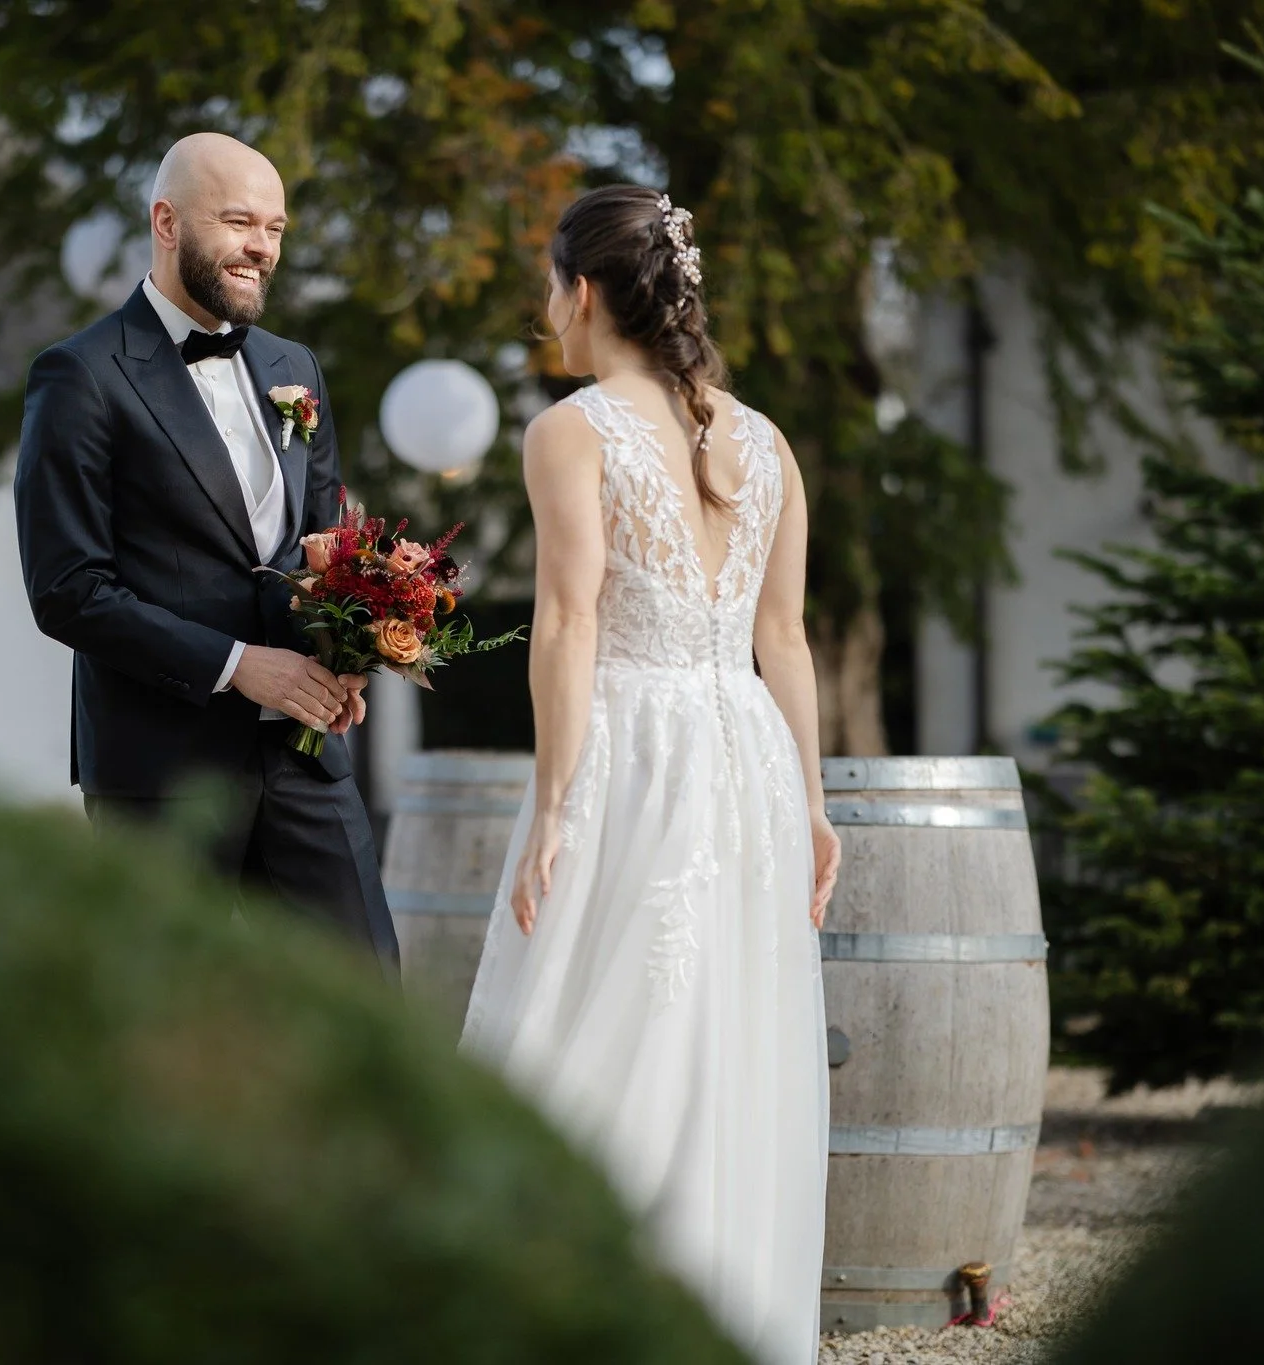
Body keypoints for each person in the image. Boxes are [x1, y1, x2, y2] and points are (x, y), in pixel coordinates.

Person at [458, 184, 841, 1362]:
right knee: (719, 1037)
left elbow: (567, 623)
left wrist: (554, 807)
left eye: (546, 285)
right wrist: (815, 807)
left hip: (630, 750)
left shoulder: (568, 429)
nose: (544, 310)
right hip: (745, 754)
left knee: (588, 1026)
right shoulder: (764, 440)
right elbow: (783, 639)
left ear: (581, 291)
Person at [14, 132, 398, 977]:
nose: (262, 246)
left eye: (276, 227)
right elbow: (67, 589)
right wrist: (237, 666)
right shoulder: (79, 375)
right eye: (237, 221)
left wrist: (355, 643)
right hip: (160, 770)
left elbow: (325, 546)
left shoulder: (295, 367)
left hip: (306, 754)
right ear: (166, 221)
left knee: (366, 998)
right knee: (167, 1024)